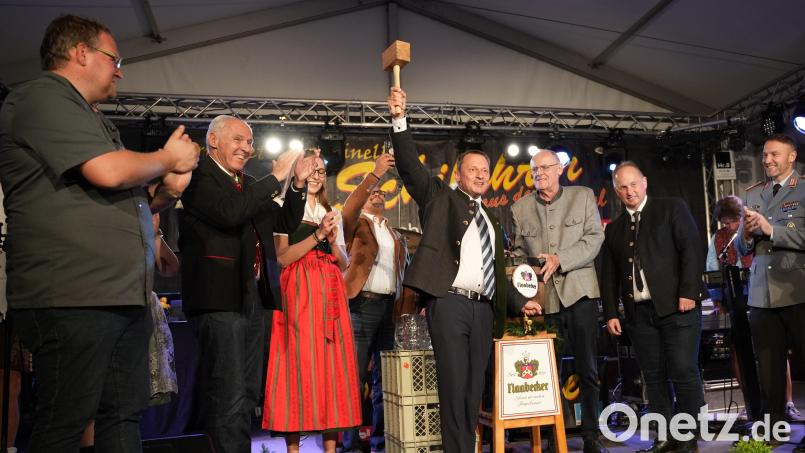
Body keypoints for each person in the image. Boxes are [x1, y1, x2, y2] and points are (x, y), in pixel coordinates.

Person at [0, 14, 199, 452]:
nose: (120, 69)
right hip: (72, 295)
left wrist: (162, 193)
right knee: (64, 420)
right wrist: (166, 158)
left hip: (117, 294)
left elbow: (125, 196)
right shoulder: (42, 98)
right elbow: (108, 172)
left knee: (122, 414)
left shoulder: (91, 117)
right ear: (80, 52)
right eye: (115, 57)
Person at [179, 115, 313, 453]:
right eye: (238, 140)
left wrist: (296, 186)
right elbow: (228, 212)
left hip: (252, 295)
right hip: (218, 297)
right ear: (213, 141)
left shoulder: (249, 183)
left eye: (250, 142)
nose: (246, 148)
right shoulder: (198, 177)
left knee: (249, 390)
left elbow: (281, 221)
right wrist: (274, 178)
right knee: (228, 390)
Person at [387, 87, 508, 453]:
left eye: (485, 171)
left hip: (483, 308)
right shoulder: (440, 197)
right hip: (450, 304)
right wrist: (398, 119)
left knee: (473, 391)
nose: (480, 175)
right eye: (473, 169)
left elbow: (497, 270)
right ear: (459, 173)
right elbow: (409, 166)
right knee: (454, 389)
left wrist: (521, 300)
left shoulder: (492, 217)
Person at [600, 162, 705, 453]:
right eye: (622, 187)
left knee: (683, 370)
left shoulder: (671, 207)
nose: (629, 191)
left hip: (678, 307)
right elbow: (607, 275)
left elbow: (692, 250)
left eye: (634, 184)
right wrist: (611, 312)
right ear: (617, 191)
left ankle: (688, 437)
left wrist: (688, 292)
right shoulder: (616, 229)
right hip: (639, 315)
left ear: (645, 182)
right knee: (653, 376)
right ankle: (665, 437)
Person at [262, 149, 361, 453]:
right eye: (311, 170)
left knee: (331, 367)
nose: (316, 176)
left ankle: (330, 448)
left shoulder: (331, 210)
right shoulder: (283, 206)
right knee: (298, 363)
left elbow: (344, 263)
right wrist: (317, 236)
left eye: (321, 171)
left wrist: (332, 242)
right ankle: (294, 449)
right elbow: (282, 257)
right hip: (300, 291)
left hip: (330, 291)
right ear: (297, 172)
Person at [510, 150, 607, 453]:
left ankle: (591, 436)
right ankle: (555, 439)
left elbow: (594, 238)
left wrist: (560, 259)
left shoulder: (583, 196)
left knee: (588, 369)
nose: (539, 173)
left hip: (580, 295)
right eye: (534, 169)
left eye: (545, 167)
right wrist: (526, 267)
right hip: (544, 301)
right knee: (547, 373)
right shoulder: (519, 208)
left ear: (560, 169)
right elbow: (515, 254)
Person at [736, 134, 805, 452]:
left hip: (798, 291)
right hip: (762, 295)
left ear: (791, 157)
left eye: (774, 155)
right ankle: (773, 429)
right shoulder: (753, 194)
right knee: (770, 370)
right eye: (764, 155)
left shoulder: (803, 189)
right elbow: (739, 246)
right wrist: (748, 235)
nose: (767, 160)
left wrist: (770, 230)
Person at [706, 196, 801, 423]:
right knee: (739, 352)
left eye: (731, 220)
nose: (728, 226)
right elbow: (711, 268)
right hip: (735, 302)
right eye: (724, 221)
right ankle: (752, 404)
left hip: (760, 297)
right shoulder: (719, 238)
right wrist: (718, 299)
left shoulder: (758, 229)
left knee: (774, 351)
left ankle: (787, 403)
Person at [341, 153, 408, 453]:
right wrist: (374, 176)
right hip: (361, 306)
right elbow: (348, 210)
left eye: (381, 192)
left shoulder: (392, 232)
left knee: (385, 379)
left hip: (387, 310)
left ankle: (381, 441)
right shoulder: (356, 224)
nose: (378, 194)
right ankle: (350, 442)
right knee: (354, 377)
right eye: (374, 192)